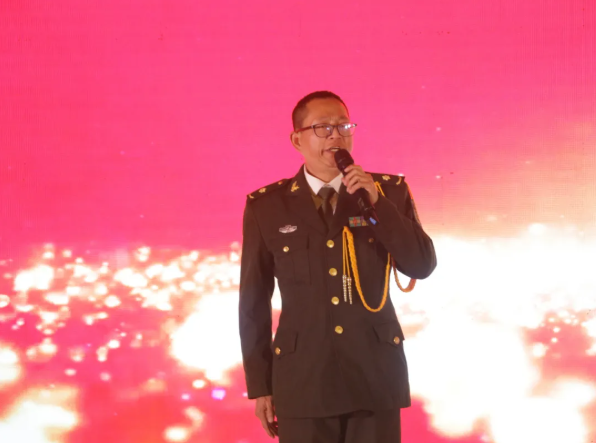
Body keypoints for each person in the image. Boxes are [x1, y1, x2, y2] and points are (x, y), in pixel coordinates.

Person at [239, 91, 437, 443]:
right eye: (323, 127)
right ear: (297, 140)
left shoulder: (387, 191)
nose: (336, 135)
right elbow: (253, 302)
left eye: (344, 126)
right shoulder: (267, 206)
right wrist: (260, 385)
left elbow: (421, 265)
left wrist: (378, 203)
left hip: (374, 375)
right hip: (303, 380)